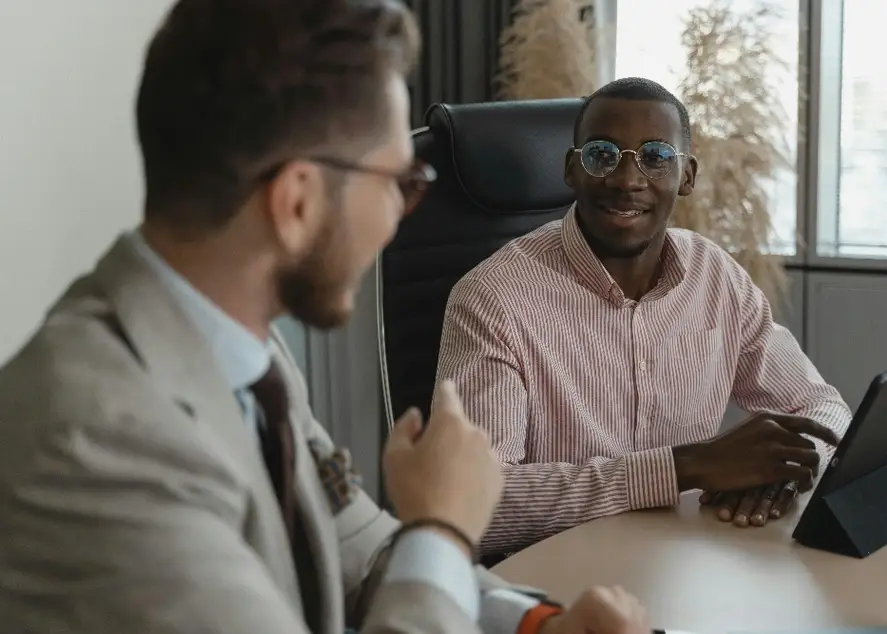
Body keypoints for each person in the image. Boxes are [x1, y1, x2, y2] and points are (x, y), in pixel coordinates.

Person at [0, 3, 651, 633]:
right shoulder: (91, 440)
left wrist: (534, 623)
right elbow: (417, 556)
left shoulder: (246, 350)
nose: (399, 216)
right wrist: (445, 528)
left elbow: (359, 551)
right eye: (397, 181)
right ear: (298, 202)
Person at [435, 77, 851, 559]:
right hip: (556, 582)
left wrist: (783, 472)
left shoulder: (715, 276)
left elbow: (823, 408)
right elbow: (474, 504)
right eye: (601, 155)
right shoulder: (492, 298)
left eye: (655, 157)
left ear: (687, 176)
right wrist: (682, 469)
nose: (626, 180)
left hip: (685, 564)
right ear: (572, 169)